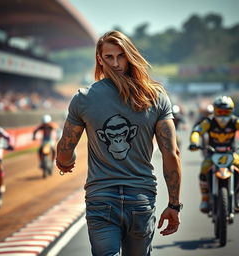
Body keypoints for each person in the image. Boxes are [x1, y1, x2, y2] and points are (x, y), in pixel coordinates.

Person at [56, 30, 182, 256]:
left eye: (120, 56)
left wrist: (66, 162)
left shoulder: (83, 98)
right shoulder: (156, 96)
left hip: (101, 199)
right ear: (99, 59)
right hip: (141, 199)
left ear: (130, 55)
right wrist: (174, 205)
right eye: (109, 57)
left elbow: (65, 149)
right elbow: (171, 154)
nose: (115, 63)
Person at [189, 95, 239, 213]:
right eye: (220, 111)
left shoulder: (235, 121)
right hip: (212, 154)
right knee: (203, 170)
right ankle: (205, 199)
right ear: (215, 110)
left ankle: (237, 197)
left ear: (231, 111)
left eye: (225, 111)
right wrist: (194, 142)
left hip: (231, 154)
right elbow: (197, 131)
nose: (222, 114)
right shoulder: (209, 121)